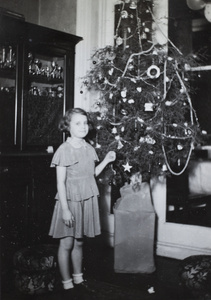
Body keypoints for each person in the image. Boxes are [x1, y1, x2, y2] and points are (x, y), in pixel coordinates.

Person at [49, 107, 116, 298]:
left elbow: (90, 175)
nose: (83, 126)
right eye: (78, 123)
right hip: (69, 202)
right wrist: (65, 210)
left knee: (79, 242)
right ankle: (66, 281)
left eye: (85, 123)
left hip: (85, 200)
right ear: (67, 126)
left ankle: (78, 277)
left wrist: (106, 160)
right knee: (67, 243)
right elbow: (60, 182)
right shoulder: (64, 150)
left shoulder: (88, 148)